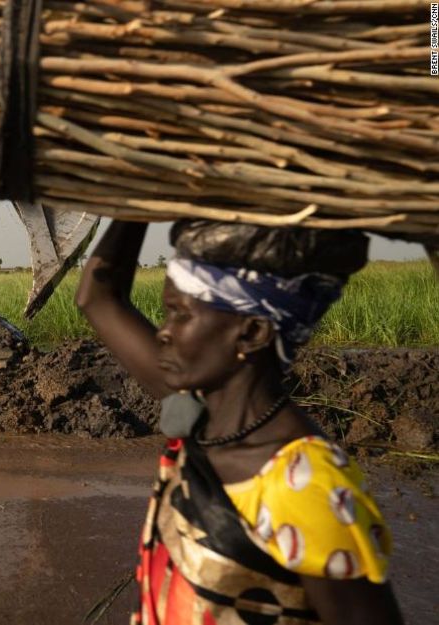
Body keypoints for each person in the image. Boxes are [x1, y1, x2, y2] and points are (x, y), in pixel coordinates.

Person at [74, 221, 404, 625]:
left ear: (250, 333)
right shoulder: (203, 417)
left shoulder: (305, 486)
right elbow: (98, 297)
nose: (162, 332)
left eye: (180, 315)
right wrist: (135, 203)